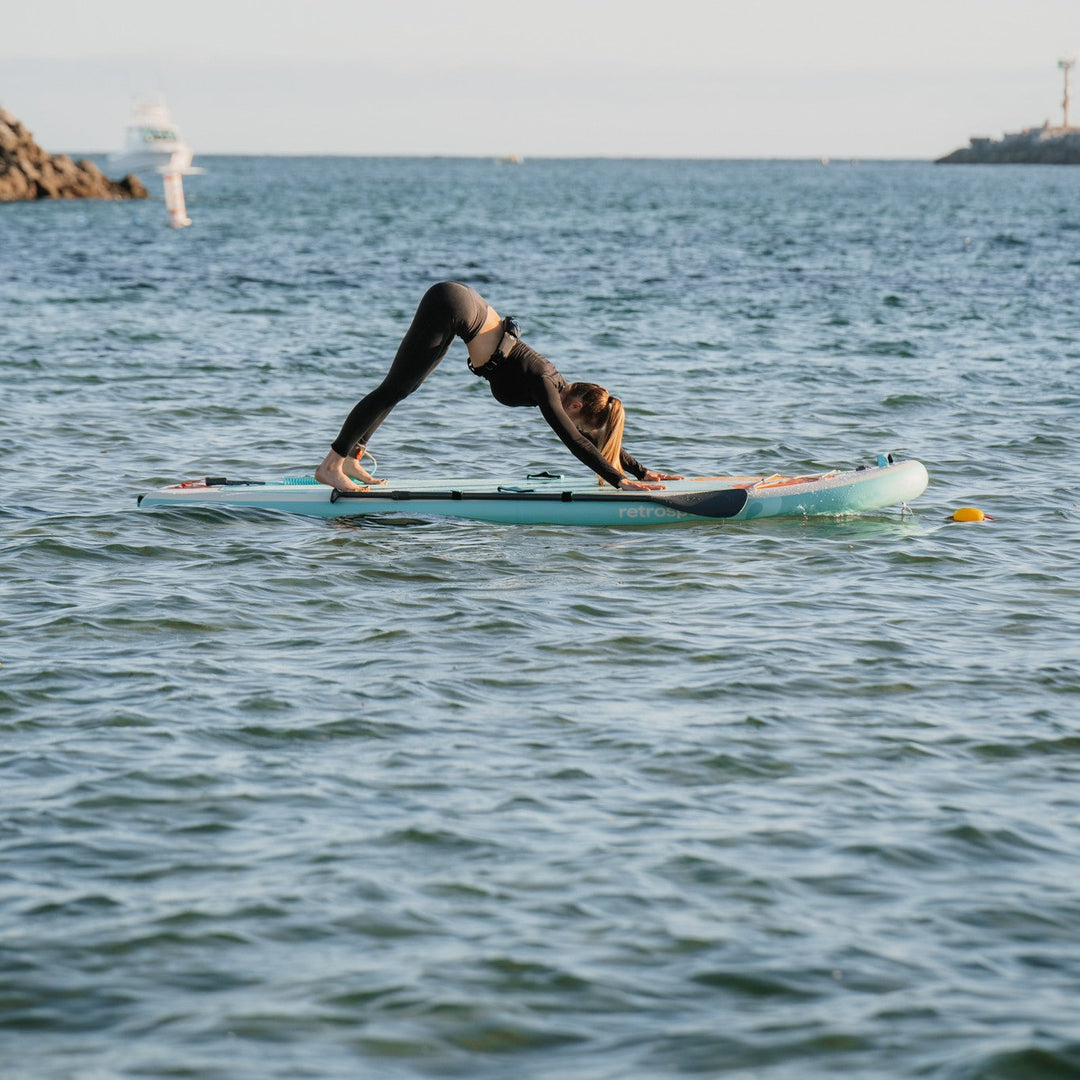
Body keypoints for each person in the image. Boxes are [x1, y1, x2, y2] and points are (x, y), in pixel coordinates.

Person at [315, 281, 683, 492]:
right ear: (575, 408)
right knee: (394, 387)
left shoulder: (557, 384)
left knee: (400, 389)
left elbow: (591, 439)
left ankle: (351, 458)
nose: (578, 427)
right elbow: (575, 440)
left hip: (460, 307)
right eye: (583, 423)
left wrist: (640, 471)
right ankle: (332, 465)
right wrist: (619, 481)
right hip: (454, 306)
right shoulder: (545, 386)